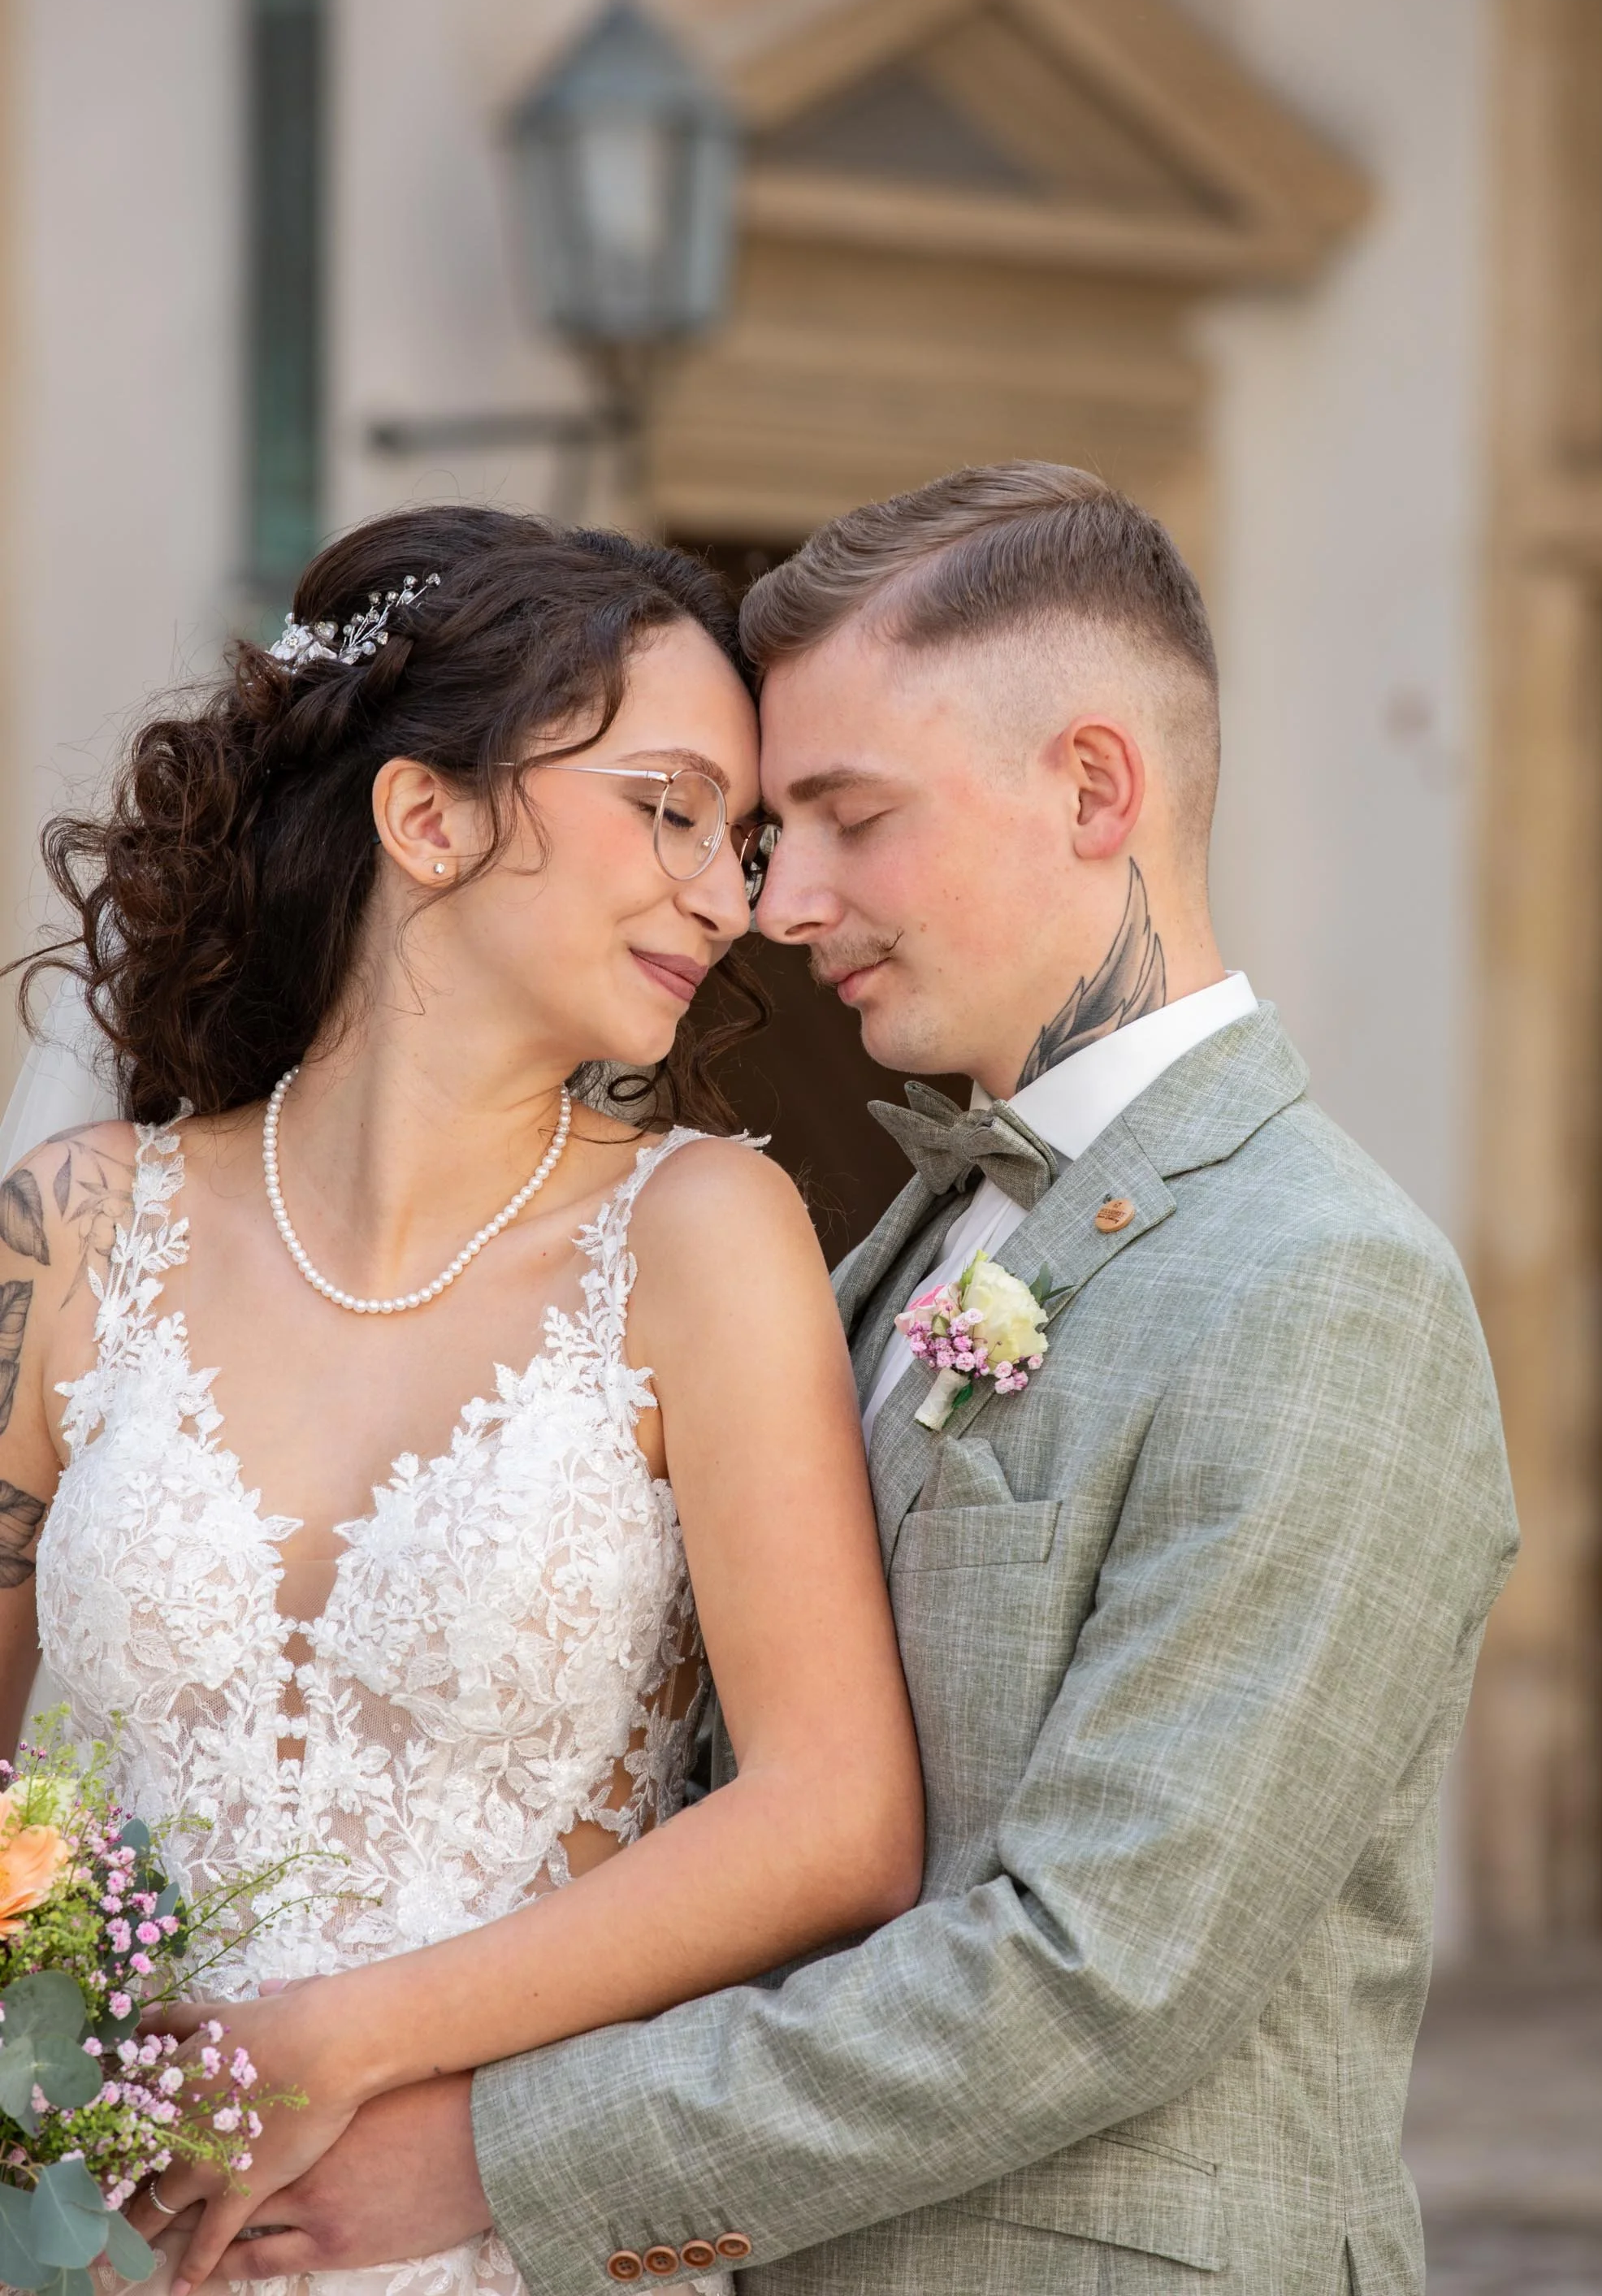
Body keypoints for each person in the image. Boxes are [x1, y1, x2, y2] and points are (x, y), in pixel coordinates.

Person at [218, 463, 1519, 2296]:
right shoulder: (909, 1236)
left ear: (1095, 790)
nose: (780, 900)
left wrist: (495, 2161)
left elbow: (1097, 1975)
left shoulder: (1323, 1286)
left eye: (846, 817)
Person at [0, 503, 925, 2296]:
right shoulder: (75, 1229)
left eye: (740, 840)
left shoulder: (702, 1235)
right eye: (670, 810)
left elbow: (837, 1819)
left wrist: (331, 2044)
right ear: (426, 818)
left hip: (487, 2240)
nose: (731, 897)